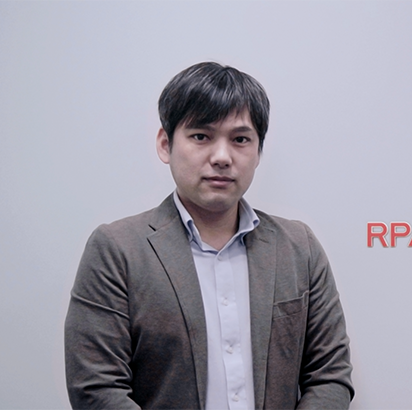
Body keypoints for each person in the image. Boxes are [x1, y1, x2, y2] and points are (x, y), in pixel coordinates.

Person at [64, 62, 353, 410]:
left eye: (240, 139)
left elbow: (329, 376)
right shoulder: (117, 250)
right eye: (201, 136)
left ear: (258, 151)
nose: (222, 157)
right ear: (166, 144)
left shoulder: (298, 247)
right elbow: (96, 388)